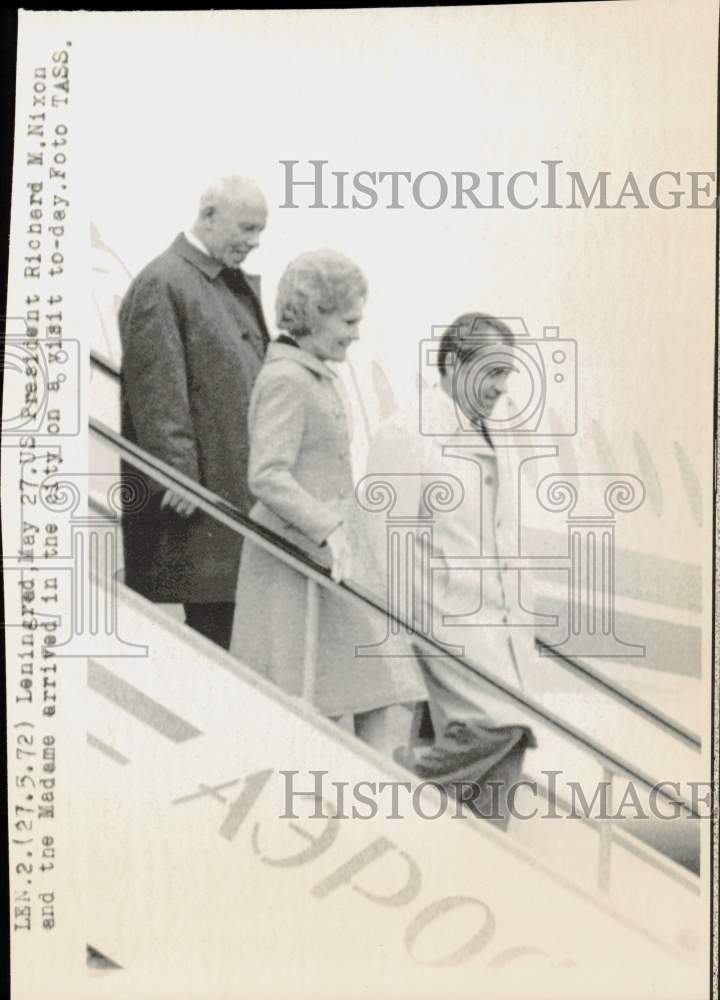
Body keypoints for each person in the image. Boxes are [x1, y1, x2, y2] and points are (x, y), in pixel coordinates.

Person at [229, 249, 425, 752]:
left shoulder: (313, 372)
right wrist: (328, 527)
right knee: (320, 693)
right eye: (349, 320)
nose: (356, 333)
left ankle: (376, 793)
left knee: (377, 684)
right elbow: (267, 475)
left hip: (335, 554)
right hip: (299, 558)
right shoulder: (285, 379)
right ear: (315, 313)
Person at [365, 313, 538, 825]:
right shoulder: (407, 433)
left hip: (502, 623)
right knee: (497, 725)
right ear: (455, 363)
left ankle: (486, 862)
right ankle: (387, 796)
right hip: (441, 620)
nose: (501, 388)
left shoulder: (496, 430)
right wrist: (400, 635)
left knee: (512, 743)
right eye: (492, 372)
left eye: (507, 374)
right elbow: (383, 542)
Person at [119, 176, 269, 649]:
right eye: (246, 228)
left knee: (233, 639)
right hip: (199, 505)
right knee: (216, 641)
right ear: (208, 215)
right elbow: (157, 389)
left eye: (259, 231)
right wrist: (177, 476)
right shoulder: (164, 281)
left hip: (229, 500)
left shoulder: (213, 283)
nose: (254, 242)